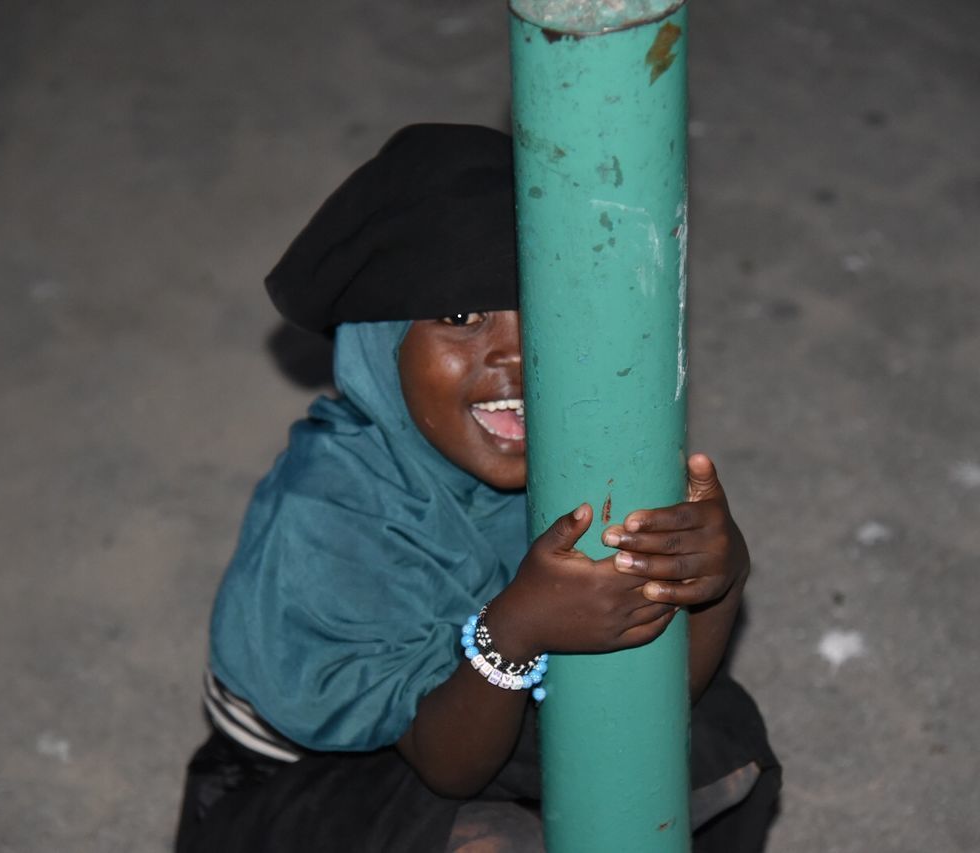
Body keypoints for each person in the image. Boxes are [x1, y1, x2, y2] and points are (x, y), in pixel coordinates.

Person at [175, 124, 779, 852]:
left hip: (491, 695)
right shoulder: (326, 518)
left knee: (723, 742)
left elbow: (661, 695)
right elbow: (449, 764)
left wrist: (712, 576)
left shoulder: (586, 452)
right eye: (461, 317)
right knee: (489, 841)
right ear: (381, 341)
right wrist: (516, 629)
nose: (517, 354)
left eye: (545, 314)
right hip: (309, 780)